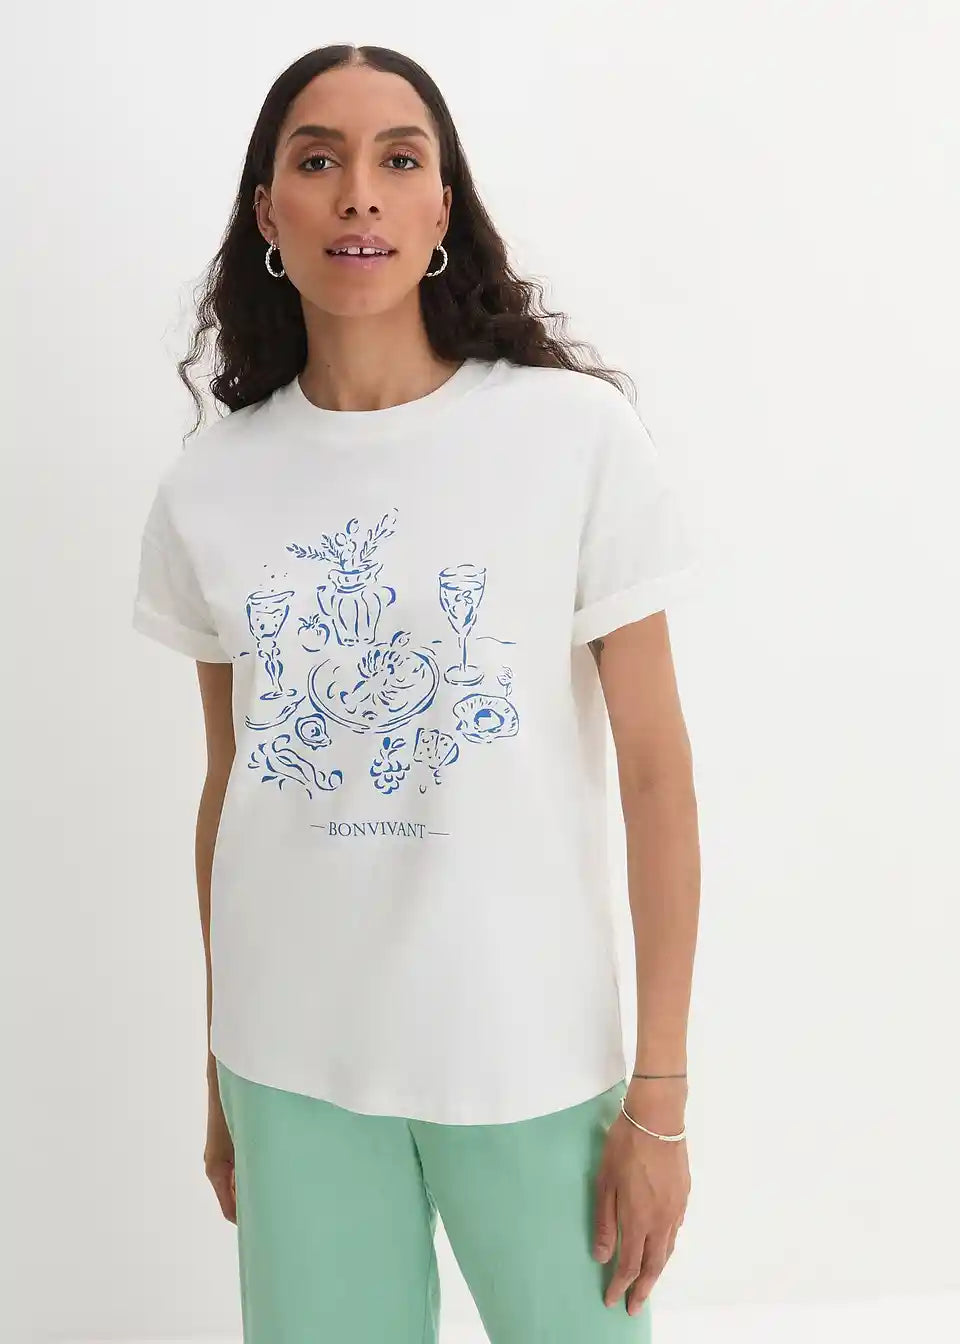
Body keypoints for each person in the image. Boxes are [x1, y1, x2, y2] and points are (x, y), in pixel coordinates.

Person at [131, 42, 701, 1344]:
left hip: (527, 1056)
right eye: (318, 160)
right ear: (268, 208)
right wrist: (221, 1075)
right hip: (290, 1063)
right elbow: (230, 790)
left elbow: (658, 772)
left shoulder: (572, 438)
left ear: (443, 208)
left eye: (399, 160)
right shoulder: (211, 486)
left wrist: (660, 1098)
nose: (360, 193)